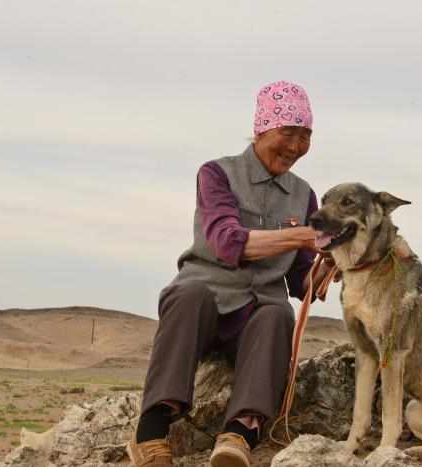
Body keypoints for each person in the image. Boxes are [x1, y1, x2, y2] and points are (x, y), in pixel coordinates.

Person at [127, 81, 335, 467]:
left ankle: (238, 435)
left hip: (254, 323)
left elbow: (300, 279)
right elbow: (227, 242)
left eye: (305, 136)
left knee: (277, 313)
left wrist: (334, 266)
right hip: (203, 309)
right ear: (262, 129)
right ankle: (152, 431)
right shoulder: (217, 173)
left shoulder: (304, 194)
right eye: (286, 132)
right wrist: (303, 236)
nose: (295, 146)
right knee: (191, 294)